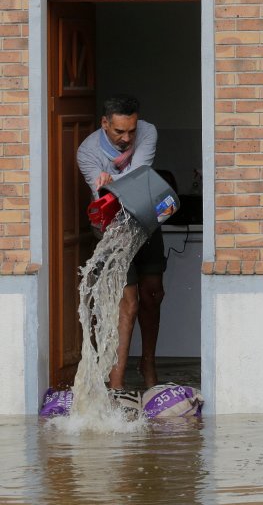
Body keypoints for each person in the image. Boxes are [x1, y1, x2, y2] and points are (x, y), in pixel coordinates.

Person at [76, 95, 165, 390]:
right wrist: (109, 187)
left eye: (131, 130)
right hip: (112, 229)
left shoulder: (148, 131)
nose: (127, 138)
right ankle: (117, 385)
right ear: (105, 123)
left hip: (146, 219)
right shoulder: (87, 151)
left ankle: (148, 362)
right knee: (127, 303)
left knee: (152, 294)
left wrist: (110, 183)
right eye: (119, 132)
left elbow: (139, 178)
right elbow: (106, 198)